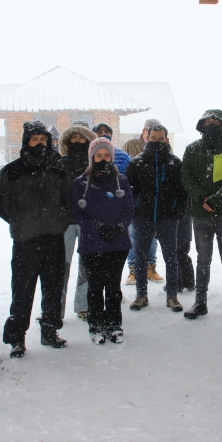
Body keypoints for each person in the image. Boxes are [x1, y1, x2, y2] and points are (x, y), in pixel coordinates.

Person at [0, 121, 71, 358]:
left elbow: (68, 200)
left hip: (53, 238)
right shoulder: (12, 170)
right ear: (26, 141)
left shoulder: (58, 168)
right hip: (25, 241)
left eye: (43, 139)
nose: (39, 144)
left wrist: (59, 221)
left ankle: (49, 330)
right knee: (23, 290)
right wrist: (20, 222)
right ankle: (17, 337)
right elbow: (1, 204)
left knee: (53, 287)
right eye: (34, 139)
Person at [181, 109, 222, 320]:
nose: (211, 124)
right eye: (207, 121)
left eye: (215, 121)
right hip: (200, 213)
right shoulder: (192, 149)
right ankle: (200, 302)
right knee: (203, 259)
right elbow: (186, 177)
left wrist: (216, 199)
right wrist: (202, 199)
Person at [72, 137, 135, 344]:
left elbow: (129, 209)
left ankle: (115, 324)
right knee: (95, 287)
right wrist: (97, 227)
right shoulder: (80, 183)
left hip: (118, 242)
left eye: (106, 155)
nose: (103, 159)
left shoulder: (122, 180)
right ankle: (96, 324)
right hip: (92, 243)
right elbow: (77, 213)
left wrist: (119, 227)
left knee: (114, 286)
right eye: (98, 155)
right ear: (92, 157)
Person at [126, 123, 188, 312]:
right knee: (140, 257)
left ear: (167, 140)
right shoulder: (136, 163)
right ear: (147, 138)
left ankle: (172, 295)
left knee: (171, 257)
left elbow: (182, 192)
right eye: (153, 138)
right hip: (142, 217)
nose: (157, 142)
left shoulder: (175, 163)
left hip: (167, 218)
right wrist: (134, 211)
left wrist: (178, 212)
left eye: (161, 139)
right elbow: (129, 191)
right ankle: (141, 295)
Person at [59, 120, 97, 321]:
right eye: (74, 137)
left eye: (81, 137)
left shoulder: (94, 164)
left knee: (86, 266)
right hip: (65, 223)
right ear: (68, 139)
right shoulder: (60, 164)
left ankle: (83, 305)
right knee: (61, 267)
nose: (77, 140)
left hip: (87, 222)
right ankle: (57, 306)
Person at [123, 119, 163, 285]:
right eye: (149, 131)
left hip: (155, 202)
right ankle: (133, 269)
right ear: (144, 131)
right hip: (137, 202)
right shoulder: (130, 145)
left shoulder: (162, 145)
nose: (152, 135)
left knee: (153, 237)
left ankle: (150, 267)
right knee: (133, 236)